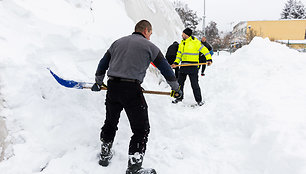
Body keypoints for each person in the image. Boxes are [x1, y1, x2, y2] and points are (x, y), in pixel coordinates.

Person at [91, 20, 182, 174]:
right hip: (132, 90)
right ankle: (134, 167)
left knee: (110, 121)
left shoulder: (117, 43)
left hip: (112, 87)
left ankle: (105, 154)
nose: (150, 37)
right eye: (150, 34)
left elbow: (102, 64)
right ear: (146, 30)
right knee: (141, 129)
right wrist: (176, 88)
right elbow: (165, 68)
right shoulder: (149, 47)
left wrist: (98, 82)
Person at [171, 28, 212, 106]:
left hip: (193, 67)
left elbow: (205, 51)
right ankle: (179, 98)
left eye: (183, 33)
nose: (181, 35)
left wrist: (209, 59)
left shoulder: (195, 42)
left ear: (186, 34)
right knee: (180, 84)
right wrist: (176, 63)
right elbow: (179, 55)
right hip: (183, 66)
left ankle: (199, 100)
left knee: (194, 84)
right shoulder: (182, 43)